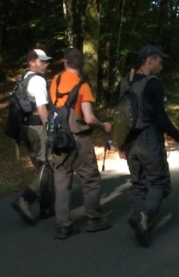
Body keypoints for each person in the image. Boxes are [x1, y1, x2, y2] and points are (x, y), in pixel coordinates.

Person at [115, 45, 179, 247]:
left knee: (138, 184)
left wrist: (120, 143)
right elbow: (161, 119)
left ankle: (141, 222)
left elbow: (118, 115)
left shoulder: (122, 84)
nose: (161, 67)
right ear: (150, 60)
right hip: (149, 139)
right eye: (160, 62)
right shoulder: (153, 84)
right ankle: (143, 216)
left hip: (129, 140)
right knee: (160, 182)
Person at [49, 48, 112, 239]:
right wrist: (104, 126)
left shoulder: (54, 81)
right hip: (78, 139)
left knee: (61, 181)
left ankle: (64, 225)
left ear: (65, 62)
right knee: (90, 178)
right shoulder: (82, 86)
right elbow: (89, 118)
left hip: (57, 138)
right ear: (81, 65)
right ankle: (93, 219)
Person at [12, 49, 54, 223]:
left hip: (26, 129)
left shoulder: (22, 80)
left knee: (40, 168)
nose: (46, 64)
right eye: (42, 61)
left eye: (46, 61)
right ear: (31, 62)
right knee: (48, 167)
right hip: (38, 128)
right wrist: (50, 128)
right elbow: (42, 109)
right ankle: (25, 200)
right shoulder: (37, 80)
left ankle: (46, 208)